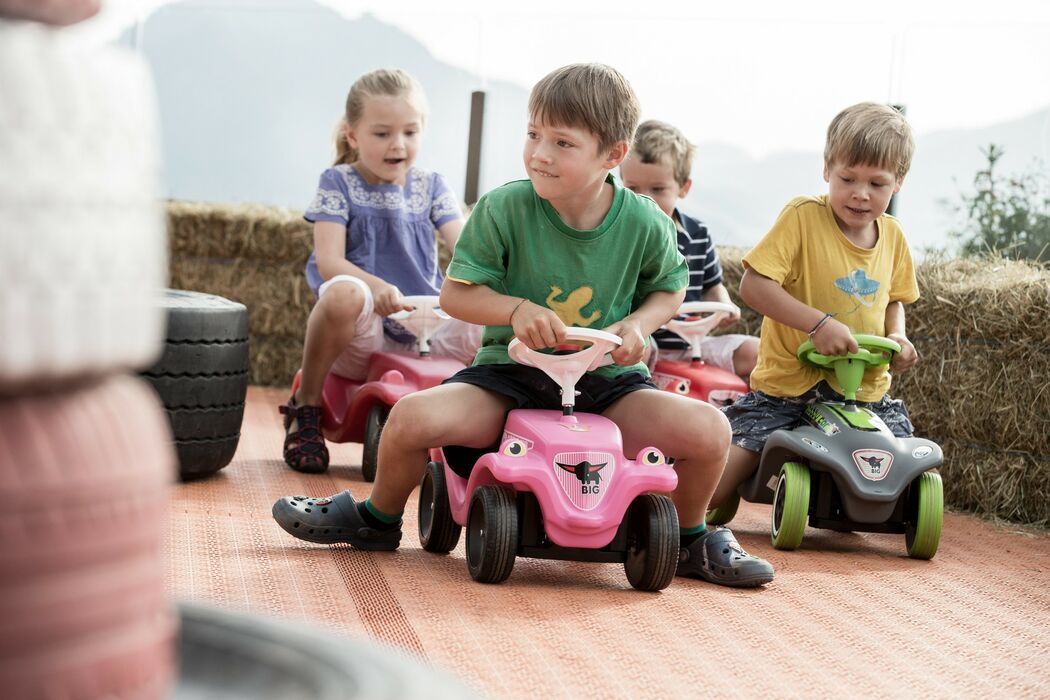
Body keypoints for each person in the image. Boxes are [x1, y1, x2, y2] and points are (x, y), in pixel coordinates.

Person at [273, 63, 775, 588]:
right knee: (409, 419)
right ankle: (377, 518)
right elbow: (456, 294)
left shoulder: (646, 221)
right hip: (508, 379)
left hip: (607, 385)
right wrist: (515, 310)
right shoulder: (504, 208)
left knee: (713, 429)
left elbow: (669, 287)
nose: (539, 153)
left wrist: (638, 324)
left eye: (562, 142)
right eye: (533, 134)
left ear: (612, 155)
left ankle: (691, 538)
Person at [710, 102, 920, 509]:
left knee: (908, 465)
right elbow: (754, 285)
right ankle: (727, 487)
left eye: (877, 184)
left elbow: (895, 298)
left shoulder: (893, 236)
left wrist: (898, 335)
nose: (860, 194)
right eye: (848, 178)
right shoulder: (803, 217)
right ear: (827, 169)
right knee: (709, 490)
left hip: (863, 395)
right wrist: (817, 324)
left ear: (899, 182)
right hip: (789, 390)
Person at [281, 68, 480, 473]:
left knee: (495, 315)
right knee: (343, 291)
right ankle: (308, 410)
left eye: (410, 132)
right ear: (352, 135)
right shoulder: (337, 182)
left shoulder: (433, 185)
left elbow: (465, 249)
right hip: (366, 333)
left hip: (426, 323)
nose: (398, 145)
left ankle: (484, 422)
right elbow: (329, 260)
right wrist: (378, 288)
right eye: (382, 133)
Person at [619, 119, 758, 382]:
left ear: (683, 188)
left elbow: (713, 285)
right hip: (643, 342)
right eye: (633, 189)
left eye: (658, 189)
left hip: (694, 343)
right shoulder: (620, 238)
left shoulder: (697, 235)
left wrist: (724, 305)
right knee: (633, 354)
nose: (645, 199)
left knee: (757, 352)